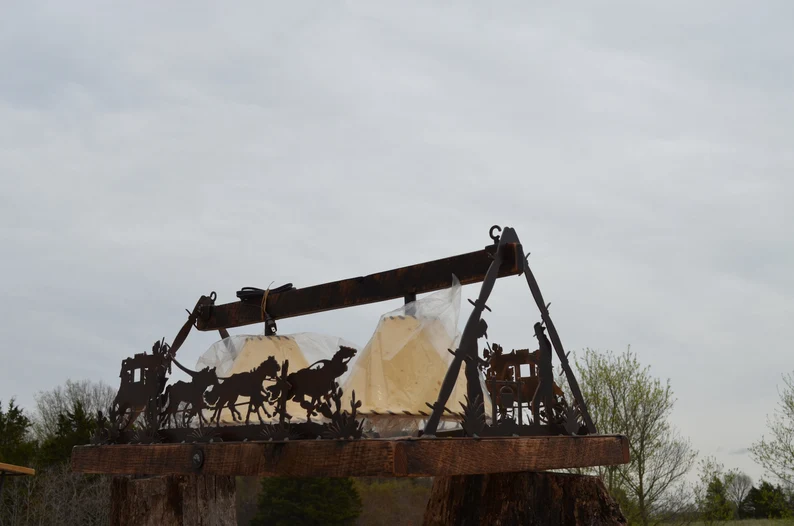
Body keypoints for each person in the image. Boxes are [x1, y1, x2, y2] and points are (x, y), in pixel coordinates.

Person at [531, 322, 555, 425]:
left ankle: (537, 426)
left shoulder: (544, 343)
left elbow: (544, 361)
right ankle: (551, 424)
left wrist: (534, 360)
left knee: (535, 402)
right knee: (547, 403)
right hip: (546, 377)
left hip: (545, 378)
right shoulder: (545, 342)